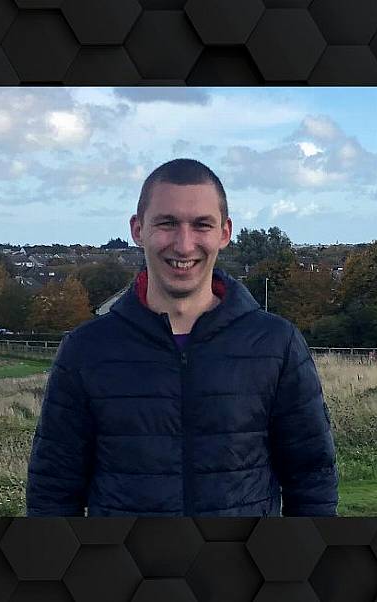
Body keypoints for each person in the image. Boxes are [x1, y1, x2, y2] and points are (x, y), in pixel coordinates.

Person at [26, 158, 338, 517]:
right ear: (138, 229)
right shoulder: (85, 350)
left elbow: (312, 480)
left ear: (224, 232)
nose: (184, 244)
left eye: (201, 225)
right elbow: (52, 492)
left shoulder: (276, 345)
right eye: (167, 223)